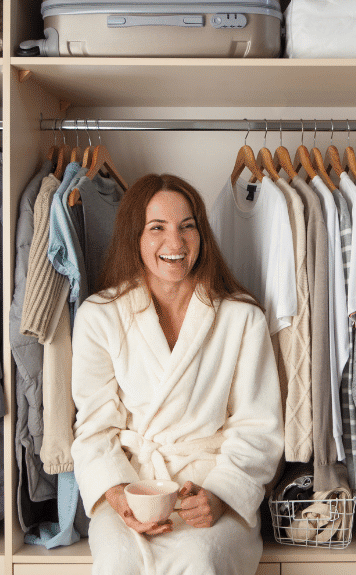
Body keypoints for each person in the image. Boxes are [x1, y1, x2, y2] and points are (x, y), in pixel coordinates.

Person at [70, 174, 284, 575]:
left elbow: (259, 427)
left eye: (188, 226)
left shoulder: (242, 318)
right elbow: (94, 428)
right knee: (117, 561)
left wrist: (219, 496)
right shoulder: (99, 316)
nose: (176, 243)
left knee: (199, 559)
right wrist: (120, 497)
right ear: (134, 236)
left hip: (210, 487)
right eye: (157, 228)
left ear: (202, 234)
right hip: (134, 487)